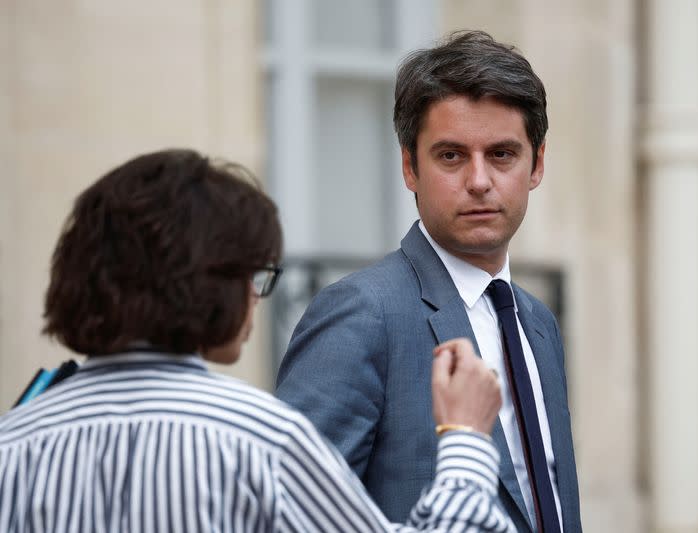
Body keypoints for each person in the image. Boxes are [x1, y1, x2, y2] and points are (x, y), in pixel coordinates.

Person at [0, 148, 516, 532]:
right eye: (256, 275)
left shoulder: (14, 444)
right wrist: (467, 437)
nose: (257, 296)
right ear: (212, 283)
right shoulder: (262, 441)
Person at [276, 31, 582, 533]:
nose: (479, 180)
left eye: (502, 154)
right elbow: (289, 515)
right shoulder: (361, 313)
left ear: (538, 164)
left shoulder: (538, 322)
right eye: (451, 156)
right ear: (409, 167)